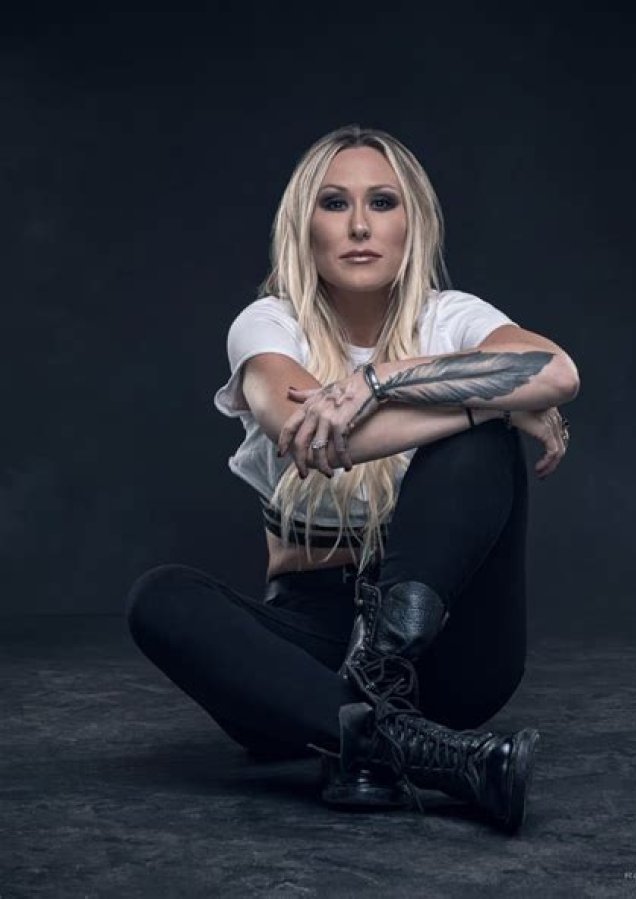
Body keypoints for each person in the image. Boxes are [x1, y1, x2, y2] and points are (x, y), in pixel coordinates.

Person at [126, 123, 579, 835]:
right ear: (304, 225)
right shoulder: (268, 325)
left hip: (446, 655)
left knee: (481, 444)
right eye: (335, 203)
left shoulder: (450, 318)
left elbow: (557, 371)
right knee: (160, 599)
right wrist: (489, 399)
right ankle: (421, 750)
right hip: (306, 656)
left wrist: (377, 380)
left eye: (383, 202)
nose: (360, 226)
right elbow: (308, 434)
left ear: (413, 223)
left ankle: (373, 703)